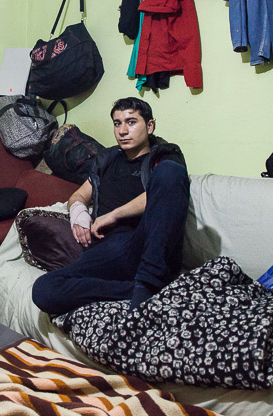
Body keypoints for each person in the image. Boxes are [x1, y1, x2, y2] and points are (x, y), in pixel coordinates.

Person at [31, 97, 189, 316]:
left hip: (143, 244)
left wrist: (115, 214)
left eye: (131, 122)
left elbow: (165, 192)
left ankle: (149, 283)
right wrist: (79, 214)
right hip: (106, 250)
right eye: (117, 123)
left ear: (150, 126)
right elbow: (78, 195)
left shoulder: (164, 157)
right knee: (44, 289)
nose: (123, 130)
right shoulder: (106, 158)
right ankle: (137, 290)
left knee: (172, 171)